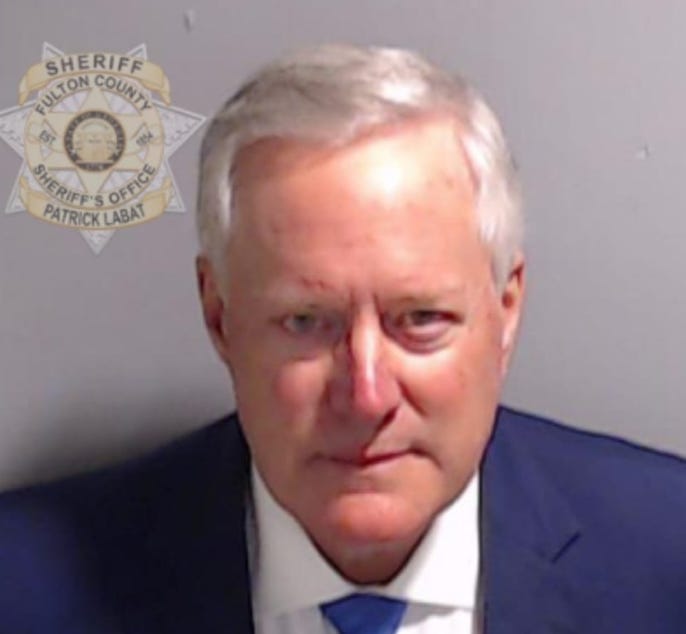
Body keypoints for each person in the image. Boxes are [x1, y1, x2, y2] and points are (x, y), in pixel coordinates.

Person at [1, 44, 686, 634]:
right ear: (220, 317)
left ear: (506, 311)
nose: (366, 397)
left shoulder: (667, 557)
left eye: (420, 319)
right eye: (306, 322)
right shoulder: (24, 588)